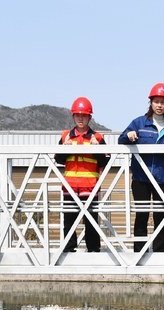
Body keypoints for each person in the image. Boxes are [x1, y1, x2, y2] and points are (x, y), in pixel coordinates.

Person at [119, 83, 164, 253]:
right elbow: (121, 139)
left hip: (163, 178)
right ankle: (139, 253)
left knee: (160, 216)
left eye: (163, 102)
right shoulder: (139, 123)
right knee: (142, 215)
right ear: (151, 103)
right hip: (141, 178)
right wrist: (128, 135)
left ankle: (161, 253)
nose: (159, 105)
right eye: (156, 102)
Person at [57, 96, 108, 253]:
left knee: (91, 220)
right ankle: (68, 249)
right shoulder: (66, 136)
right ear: (73, 116)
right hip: (70, 186)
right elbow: (58, 159)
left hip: (90, 186)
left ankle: (93, 249)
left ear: (89, 117)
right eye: (78, 115)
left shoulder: (97, 138)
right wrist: (64, 149)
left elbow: (105, 161)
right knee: (69, 219)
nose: (81, 118)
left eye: (84, 115)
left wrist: (97, 149)